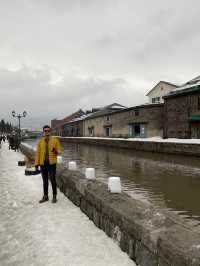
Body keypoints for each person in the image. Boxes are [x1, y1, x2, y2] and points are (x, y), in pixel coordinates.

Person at [35, 125, 62, 203]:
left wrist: (56, 151)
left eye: (48, 131)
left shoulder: (55, 140)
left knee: (53, 180)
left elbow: (59, 151)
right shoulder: (40, 141)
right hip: (43, 164)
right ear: (43, 132)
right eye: (45, 131)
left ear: (50, 131)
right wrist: (36, 164)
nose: (47, 132)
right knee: (45, 181)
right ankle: (45, 196)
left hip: (52, 164)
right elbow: (38, 154)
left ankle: (54, 196)